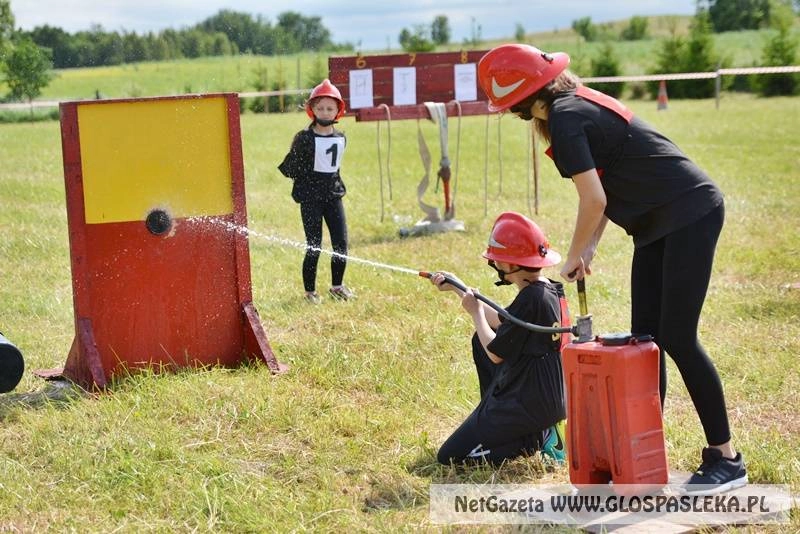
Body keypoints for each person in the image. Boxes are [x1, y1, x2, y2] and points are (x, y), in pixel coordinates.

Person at [477, 44, 745, 494]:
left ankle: (726, 457)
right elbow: (604, 184)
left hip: (688, 214)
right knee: (645, 339)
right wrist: (592, 246)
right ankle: (641, 452)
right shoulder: (570, 106)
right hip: (658, 223)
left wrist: (574, 250)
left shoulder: (564, 116)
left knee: (677, 337)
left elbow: (594, 197)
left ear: (519, 98)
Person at [430, 211, 569, 466]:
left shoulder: (531, 298)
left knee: (450, 457)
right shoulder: (546, 289)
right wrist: (458, 287)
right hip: (547, 396)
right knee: (478, 339)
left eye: (497, 259)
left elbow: (495, 352)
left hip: (528, 402)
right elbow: (504, 320)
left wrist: (474, 312)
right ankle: (511, 425)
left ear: (508, 264)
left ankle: (534, 439)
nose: (495, 264)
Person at [279, 79, 354, 304]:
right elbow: (289, 168)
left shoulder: (341, 137)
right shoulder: (304, 138)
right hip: (311, 199)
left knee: (340, 243)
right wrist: (305, 173)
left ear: (337, 111)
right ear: (311, 109)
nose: (324, 112)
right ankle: (310, 292)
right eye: (320, 107)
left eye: (329, 108)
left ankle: (337, 286)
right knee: (314, 245)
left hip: (333, 197)